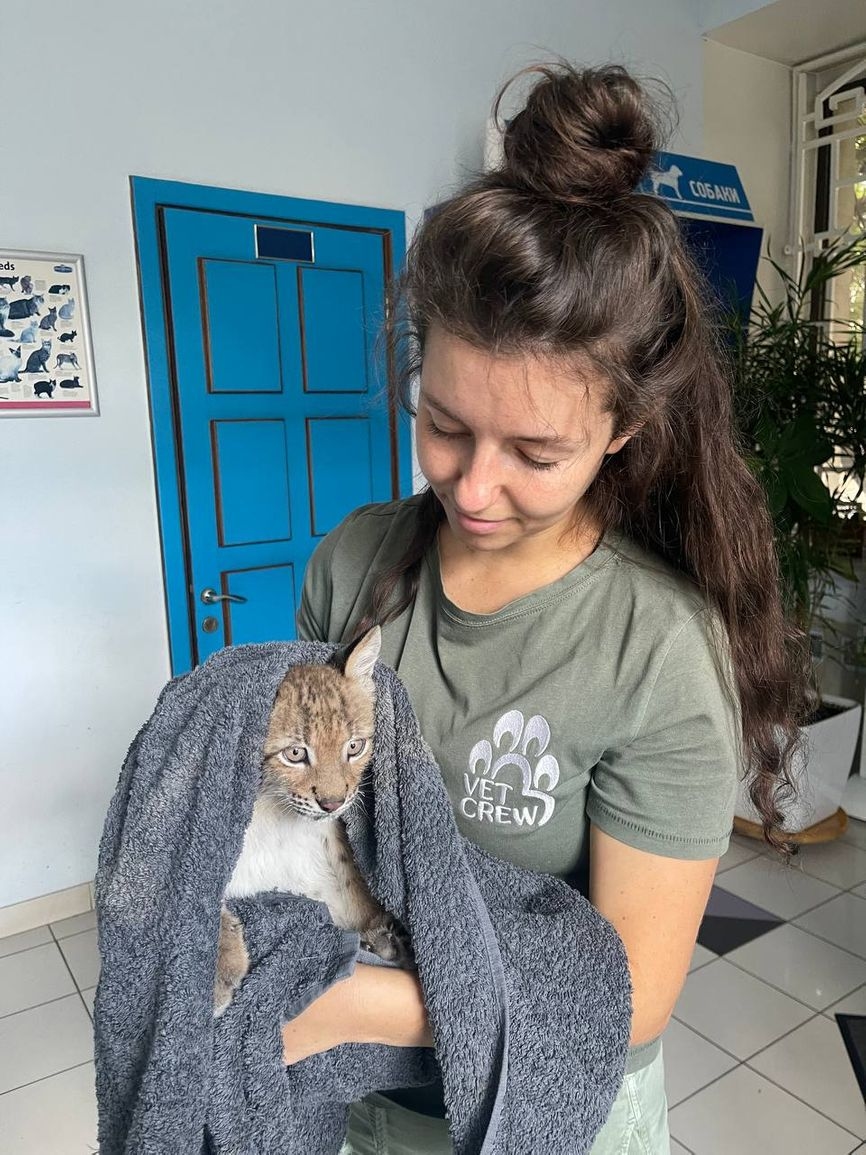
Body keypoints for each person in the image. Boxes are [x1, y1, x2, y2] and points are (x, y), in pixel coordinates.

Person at [279, 59, 810, 1155]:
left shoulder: (653, 651)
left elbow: (625, 1000)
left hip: (548, 1106)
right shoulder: (354, 566)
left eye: (534, 452)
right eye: (443, 426)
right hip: (369, 1102)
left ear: (619, 429)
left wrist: (323, 1003)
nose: (472, 489)